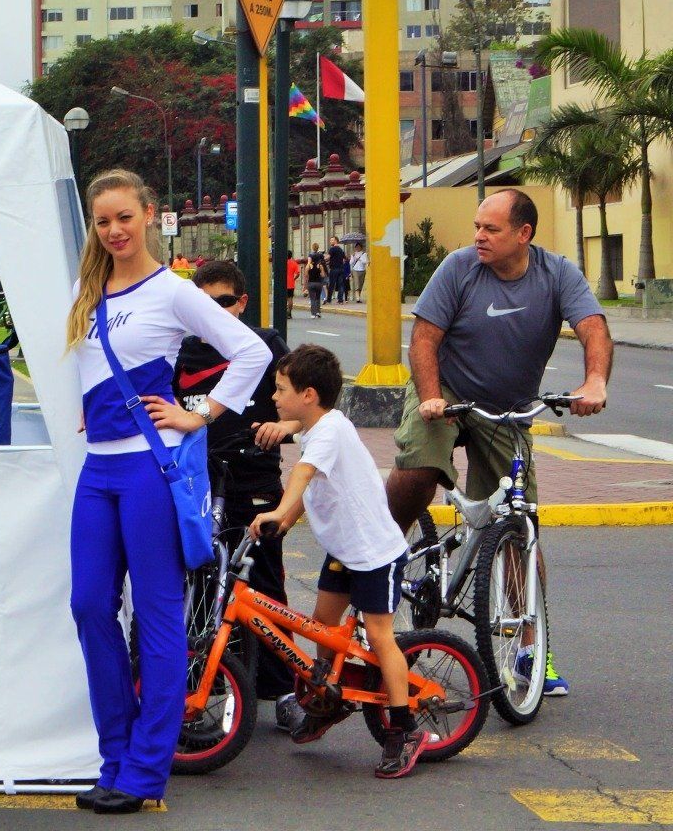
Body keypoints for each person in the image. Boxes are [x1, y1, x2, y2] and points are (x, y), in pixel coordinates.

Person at [64, 170, 271, 814]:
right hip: (96, 471)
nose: (114, 230)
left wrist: (199, 413)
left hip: (150, 471)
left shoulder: (172, 291)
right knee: (89, 605)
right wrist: (89, 407)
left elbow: (251, 353)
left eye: (125, 216)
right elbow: (94, 364)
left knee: (157, 615)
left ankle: (144, 770)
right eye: (103, 221)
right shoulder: (86, 290)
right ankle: (113, 755)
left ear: (149, 214)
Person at [384, 188, 609, 698]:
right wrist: (430, 397)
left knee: (519, 518)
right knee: (421, 467)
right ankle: (377, 556)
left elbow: (593, 327)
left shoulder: (557, 275)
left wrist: (594, 381)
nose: (479, 236)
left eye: (492, 229)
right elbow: (424, 339)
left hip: (506, 410)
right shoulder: (460, 269)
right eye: (478, 227)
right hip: (445, 394)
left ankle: (534, 643)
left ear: (523, 234)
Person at [249, 345, 424, 777]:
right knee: (323, 631)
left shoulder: (329, 433)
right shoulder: (316, 426)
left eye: (281, 389)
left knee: (381, 637)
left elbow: (303, 475)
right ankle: (331, 700)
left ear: (309, 395)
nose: (274, 396)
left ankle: (404, 727)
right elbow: (311, 489)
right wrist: (285, 521)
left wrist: (277, 510)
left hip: (372, 553)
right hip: (344, 552)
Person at [176, 259, 293, 704]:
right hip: (197, 487)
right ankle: (199, 684)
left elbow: (309, 402)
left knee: (263, 585)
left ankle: (284, 695)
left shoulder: (262, 346)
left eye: (221, 303)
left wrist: (287, 427)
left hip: (253, 481)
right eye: (200, 305)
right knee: (200, 585)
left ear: (241, 304)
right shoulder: (183, 353)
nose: (211, 314)